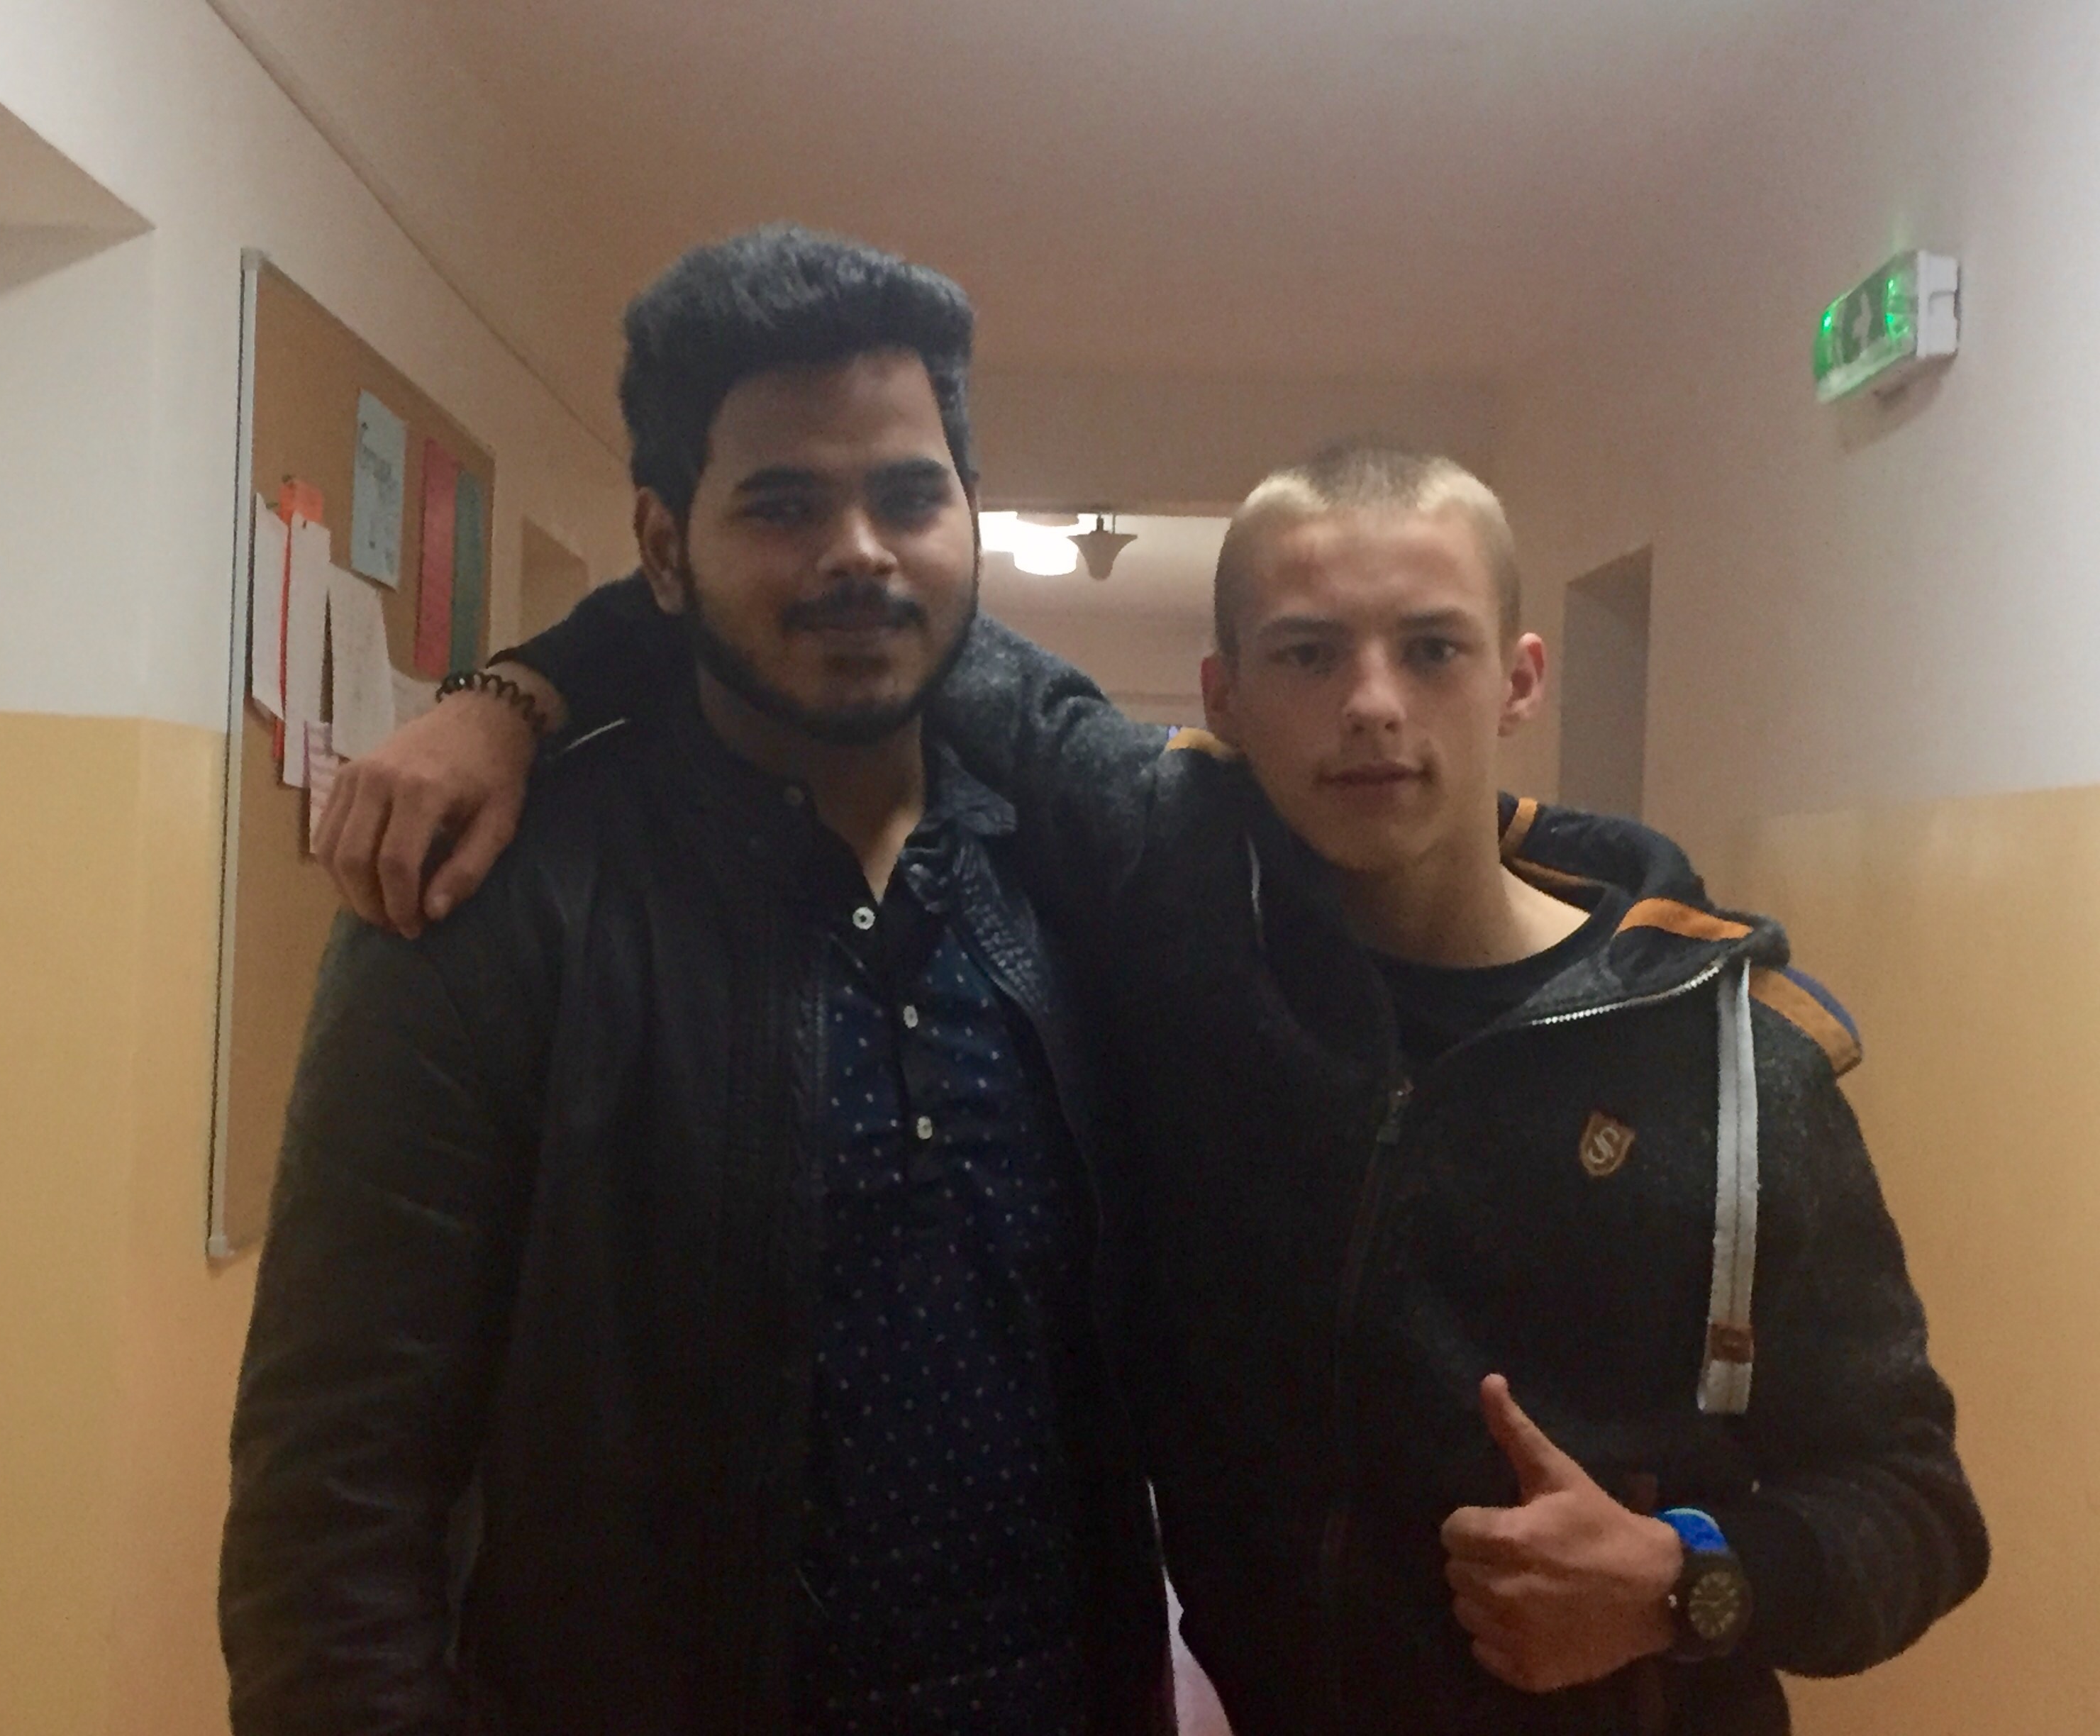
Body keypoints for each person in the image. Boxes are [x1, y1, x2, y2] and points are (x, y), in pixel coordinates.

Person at [325, 435, 1987, 1734]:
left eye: (1432, 647)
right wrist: (510, 698)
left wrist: (1688, 1583)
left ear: (1522, 677)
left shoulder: (1731, 1054)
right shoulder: (1174, 899)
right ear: (1222, 698)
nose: (1373, 707)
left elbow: (1920, 1503)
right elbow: (844, 595)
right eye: (1308, 654)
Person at [219, 227, 1173, 1736]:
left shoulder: (1072, 885)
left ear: (968, 521)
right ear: (663, 549)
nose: (858, 552)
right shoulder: (497, 908)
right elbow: (334, 1497)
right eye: (783, 505)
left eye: (908, 497)